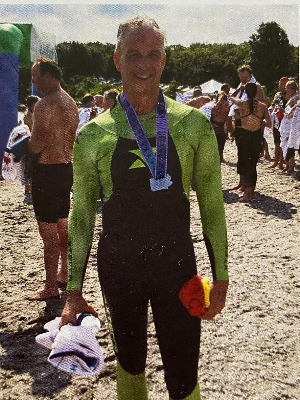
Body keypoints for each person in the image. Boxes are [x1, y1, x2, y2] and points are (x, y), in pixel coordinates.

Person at [60, 17, 229, 400]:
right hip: (120, 269)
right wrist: (72, 290)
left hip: (178, 266)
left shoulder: (191, 124)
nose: (143, 65)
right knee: (130, 365)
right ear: (117, 60)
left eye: (153, 55)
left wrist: (221, 277)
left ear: (164, 60)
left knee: (184, 370)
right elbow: (82, 215)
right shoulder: (92, 134)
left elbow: (212, 206)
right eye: (133, 55)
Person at [27, 57, 79, 300]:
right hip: (65, 168)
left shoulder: (45, 105)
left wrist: (19, 150)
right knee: (62, 223)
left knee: (47, 231)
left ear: (49, 77)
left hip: (47, 171)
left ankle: (49, 287)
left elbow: (37, 143)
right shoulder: (70, 102)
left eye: (36, 77)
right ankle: (64, 274)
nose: (33, 82)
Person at [230, 82, 271, 201]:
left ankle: (247, 194)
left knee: (246, 163)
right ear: (257, 92)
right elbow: (269, 123)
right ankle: (250, 193)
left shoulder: (242, 104)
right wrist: (259, 122)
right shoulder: (263, 106)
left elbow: (231, 97)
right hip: (256, 136)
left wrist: (239, 89)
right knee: (252, 165)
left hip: (245, 136)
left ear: (246, 92)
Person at [230, 64, 266, 192]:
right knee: (240, 155)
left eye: (245, 77)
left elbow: (263, 103)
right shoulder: (241, 86)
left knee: (247, 156)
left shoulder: (256, 87)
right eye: (241, 77)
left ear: (250, 76)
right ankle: (242, 183)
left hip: (250, 125)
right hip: (239, 124)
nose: (243, 79)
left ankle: (247, 185)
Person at [279, 80, 299, 174]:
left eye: (286, 87)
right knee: (286, 145)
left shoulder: (295, 98)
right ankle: (288, 165)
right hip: (287, 122)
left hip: (291, 124)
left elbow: (293, 112)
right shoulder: (291, 97)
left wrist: (285, 111)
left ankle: (291, 166)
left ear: (290, 88)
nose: (285, 89)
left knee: (289, 145)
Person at [210, 91, 233, 162]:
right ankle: (220, 159)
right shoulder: (227, 107)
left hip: (213, 126)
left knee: (213, 146)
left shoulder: (213, 106)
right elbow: (228, 120)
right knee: (221, 146)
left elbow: (210, 117)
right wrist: (231, 132)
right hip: (222, 127)